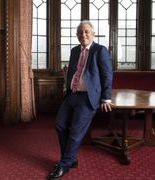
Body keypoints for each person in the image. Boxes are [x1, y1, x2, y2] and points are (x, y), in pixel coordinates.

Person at [47, 20, 113, 180]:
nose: (83, 35)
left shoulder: (100, 50)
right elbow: (73, 71)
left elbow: (107, 75)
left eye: (86, 32)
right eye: (80, 32)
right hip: (72, 95)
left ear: (93, 34)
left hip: (88, 98)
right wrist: (67, 88)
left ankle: (64, 164)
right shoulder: (75, 50)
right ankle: (71, 158)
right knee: (60, 125)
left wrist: (106, 98)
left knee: (76, 132)